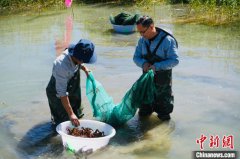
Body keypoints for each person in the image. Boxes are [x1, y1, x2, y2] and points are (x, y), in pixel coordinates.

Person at [133, 15, 179, 121]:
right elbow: (136, 57)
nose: (141, 35)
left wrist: (156, 66)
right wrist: (143, 63)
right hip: (146, 84)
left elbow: (175, 60)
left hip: (163, 85)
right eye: (139, 32)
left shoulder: (167, 40)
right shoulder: (142, 41)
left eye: (143, 32)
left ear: (151, 26)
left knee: (164, 117)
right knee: (143, 114)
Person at [46, 39, 97, 127]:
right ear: (80, 59)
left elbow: (79, 63)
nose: (83, 62)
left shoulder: (76, 55)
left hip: (71, 87)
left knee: (78, 114)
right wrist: (71, 114)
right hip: (57, 93)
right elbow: (62, 93)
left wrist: (85, 69)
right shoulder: (61, 65)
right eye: (84, 61)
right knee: (62, 122)